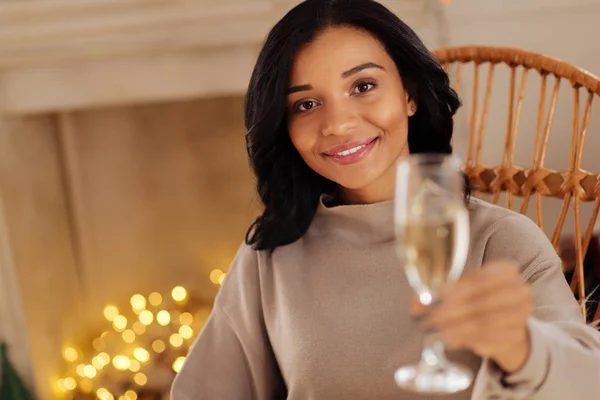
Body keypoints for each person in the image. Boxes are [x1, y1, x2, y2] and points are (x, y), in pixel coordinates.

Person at [171, 0, 600, 399]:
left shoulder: (500, 241)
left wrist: (524, 349)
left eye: (363, 85)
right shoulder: (269, 254)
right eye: (306, 104)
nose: (337, 124)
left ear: (409, 95)